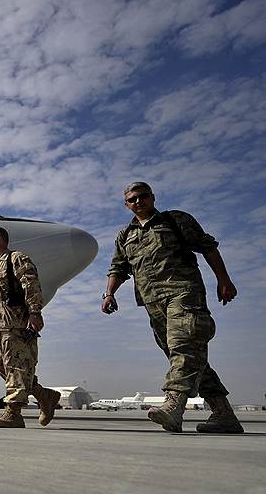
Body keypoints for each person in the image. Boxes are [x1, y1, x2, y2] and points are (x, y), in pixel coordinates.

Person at [101, 182, 243, 434]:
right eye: (132, 199)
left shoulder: (175, 220)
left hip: (183, 292)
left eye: (143, 196)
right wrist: (109, 293)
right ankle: (224, 415)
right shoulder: (125, 235)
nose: (138, 202)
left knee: (184, 345)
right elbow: (118, 268)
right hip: (152, 303)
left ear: (152, 197)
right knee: (188, 356)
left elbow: (207, 247)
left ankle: (173, 407)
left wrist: (224, 279)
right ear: (126, 205)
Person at [0, 226, 60, 428]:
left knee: (17, 367)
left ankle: (13, 413)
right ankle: (43, 395)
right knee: (0, 368)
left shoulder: (16, 259)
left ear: (0, 240)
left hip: (14, 324)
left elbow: (31, 285)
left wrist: (35, 312)